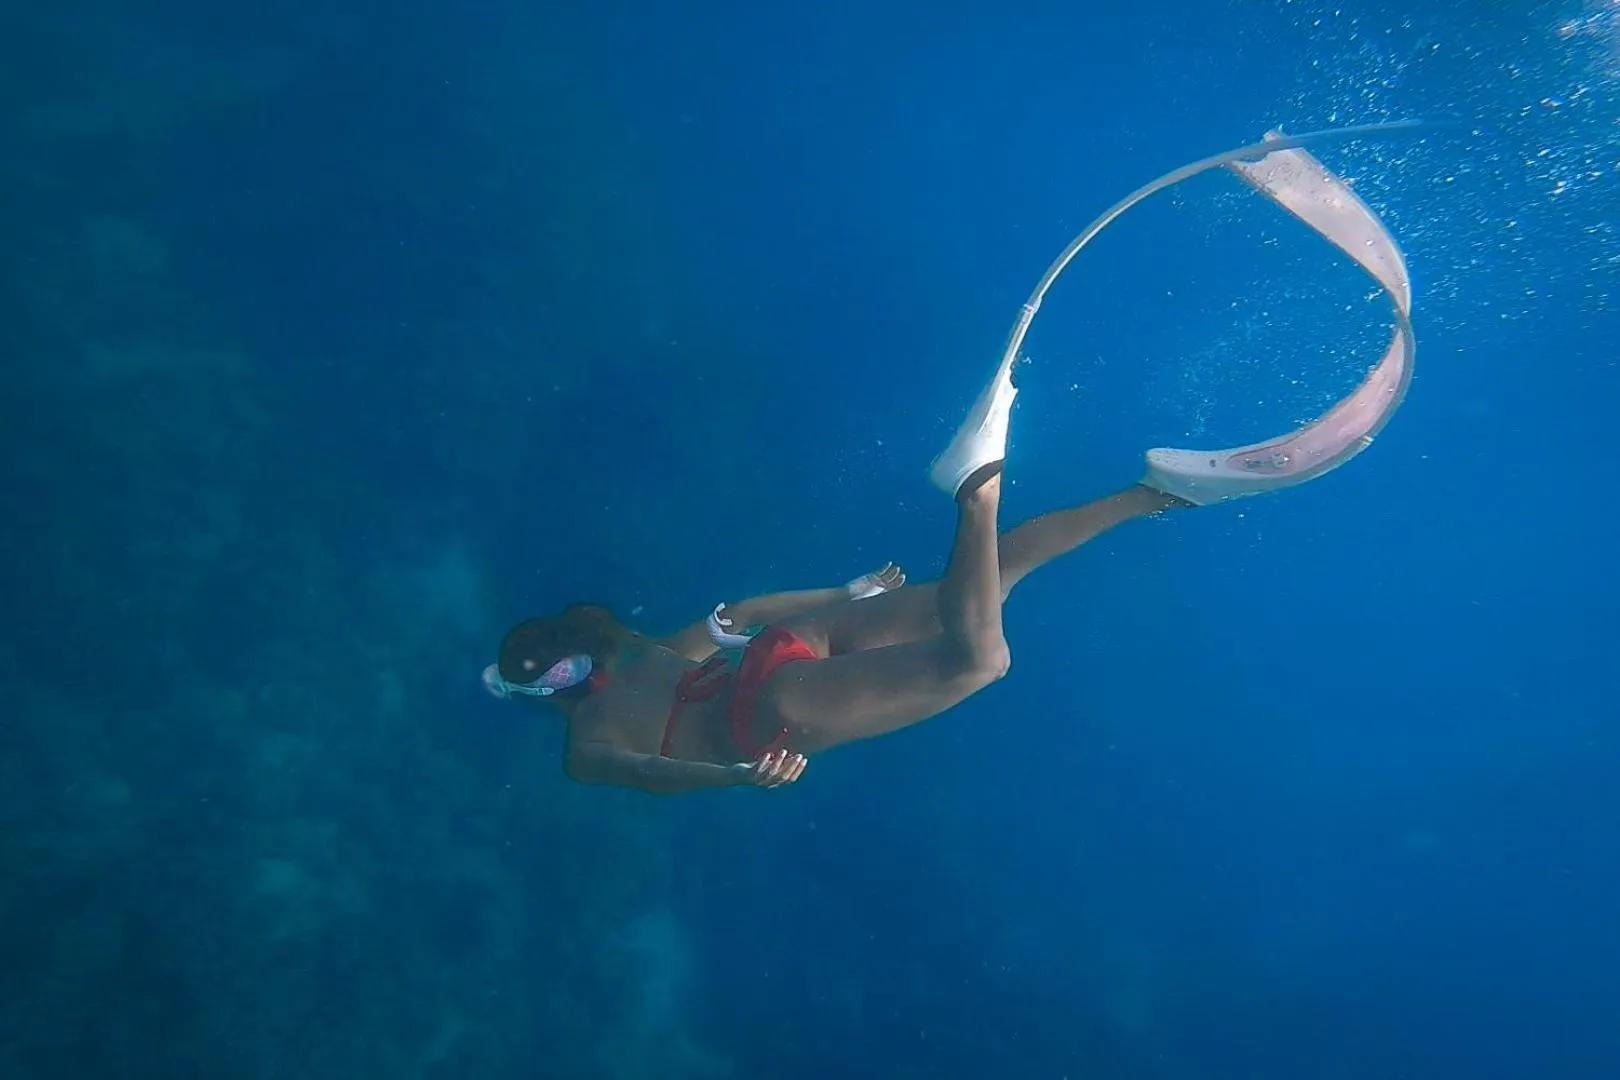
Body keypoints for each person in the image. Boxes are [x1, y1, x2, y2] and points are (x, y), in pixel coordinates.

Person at [485, 362, 1187, 795]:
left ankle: (978, 492)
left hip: (766, 712)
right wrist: (845, 597)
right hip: (794, 644)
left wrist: (734, 774)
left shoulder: (585, 749)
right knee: (985, 584)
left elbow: (650, 773)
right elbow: (743, 612)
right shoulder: (644, 648)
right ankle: (1155, 494)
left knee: (979, 660)